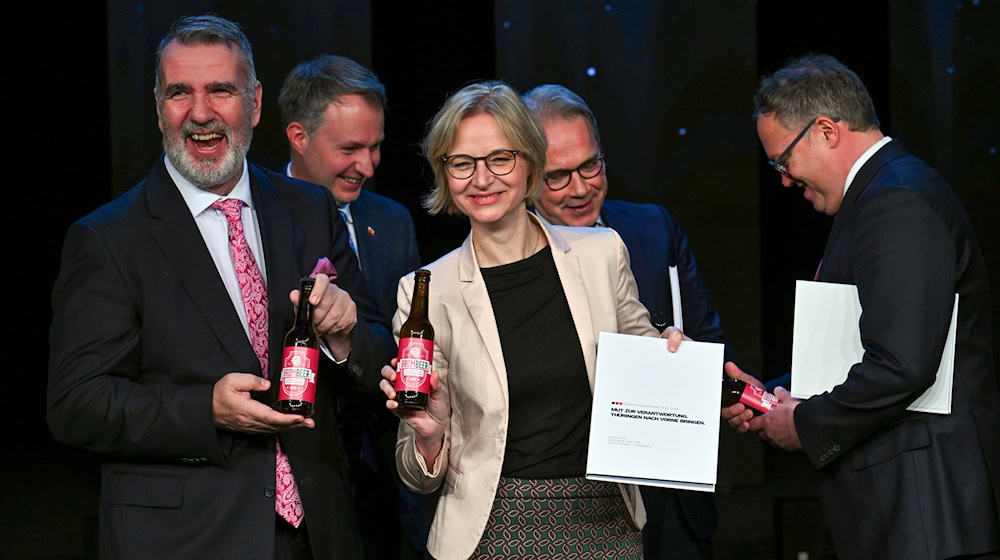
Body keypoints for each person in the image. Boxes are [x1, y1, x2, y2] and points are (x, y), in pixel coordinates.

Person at [47, 15, 393, 560]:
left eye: (221, 91)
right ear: (159, 106)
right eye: (180, 92)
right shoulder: (109, 238)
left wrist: (345, 337)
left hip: (318, 532)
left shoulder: (309, 210)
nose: (201, 113)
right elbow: (75, 404)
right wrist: (204, 408)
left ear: (253, 103)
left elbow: (381, 363)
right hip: (184, 540)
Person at [378, 81, 684, 560]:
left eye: (500, 158)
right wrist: (431, 435)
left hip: (606, 521)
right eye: (462, 163)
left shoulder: (601, 253)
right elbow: (415, 475)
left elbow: (649, 375)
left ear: (531, 163)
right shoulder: (425, 291)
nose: (482, 179)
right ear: (445, 173)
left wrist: (670, 358)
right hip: (493, 530)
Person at [725, 54, 1000, 559]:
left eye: (782, 162)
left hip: (924, 517)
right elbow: (869, 347)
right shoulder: (885, 193)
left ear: (827, 131)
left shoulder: (895, 201)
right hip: (911, 512)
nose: (783, 180)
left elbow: (902, 364)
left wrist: (803, 423)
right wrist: (780, 397)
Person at [523, 84, 724, 559]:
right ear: (528, 177)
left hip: (670, 502)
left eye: (590, 165)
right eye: (557, 176)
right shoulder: (508, 262)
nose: (580, 187)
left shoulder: (652, 229)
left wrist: (681, 356)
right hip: (572, 509)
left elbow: (711, 342)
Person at [278, 53, 425, 559]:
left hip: (391, 473)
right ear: (298, 136)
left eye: (376, 146)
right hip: (305, 477)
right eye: (350, 148)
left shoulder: (393, 220)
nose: (367, 165)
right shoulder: (259, 223)